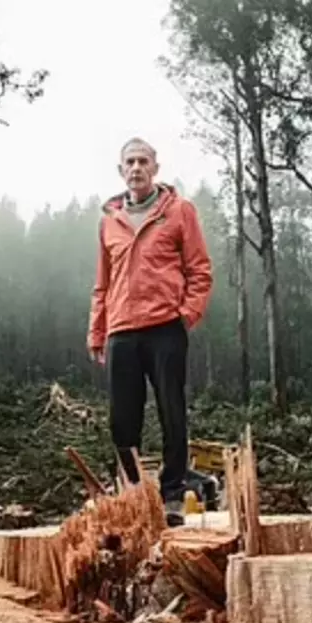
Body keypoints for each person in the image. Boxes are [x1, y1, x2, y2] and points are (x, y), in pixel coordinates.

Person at [87, 138, 213, 523]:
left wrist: (186, 314)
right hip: (122, 329)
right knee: (122, 417)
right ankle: (132, 490)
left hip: (165, 328)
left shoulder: (178, 211)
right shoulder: (110, 221)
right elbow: (102, 283)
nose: (137, 168)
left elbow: (200, 271)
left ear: (155, 168)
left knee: (171, 409)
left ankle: (174, 487)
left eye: (143, 161)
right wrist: (97, 330)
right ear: (120, 170)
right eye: (130, 162)